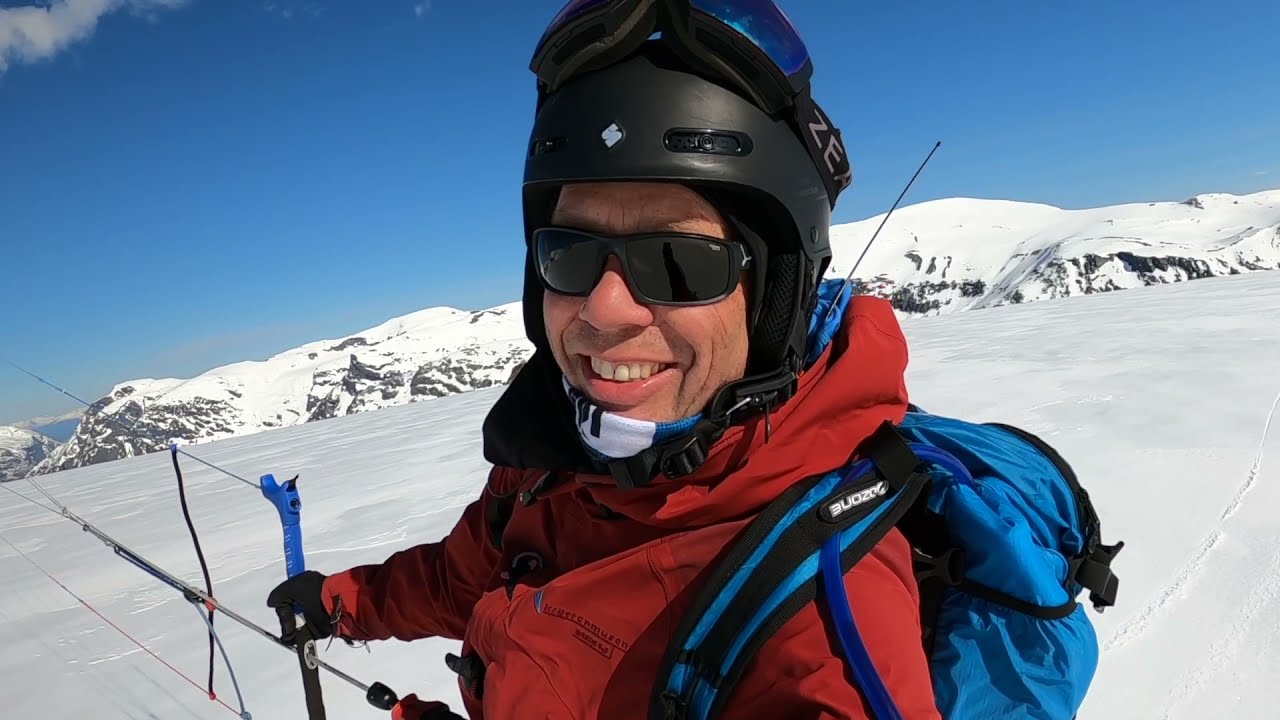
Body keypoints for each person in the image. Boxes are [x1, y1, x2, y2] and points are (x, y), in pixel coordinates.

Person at [267, 1, 943, 717]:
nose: (604, 308)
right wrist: (343, 602)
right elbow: (460, 579)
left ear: (775, 298)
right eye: (570, 253)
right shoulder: (549, 466)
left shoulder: (825, 618)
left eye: (680, 261)